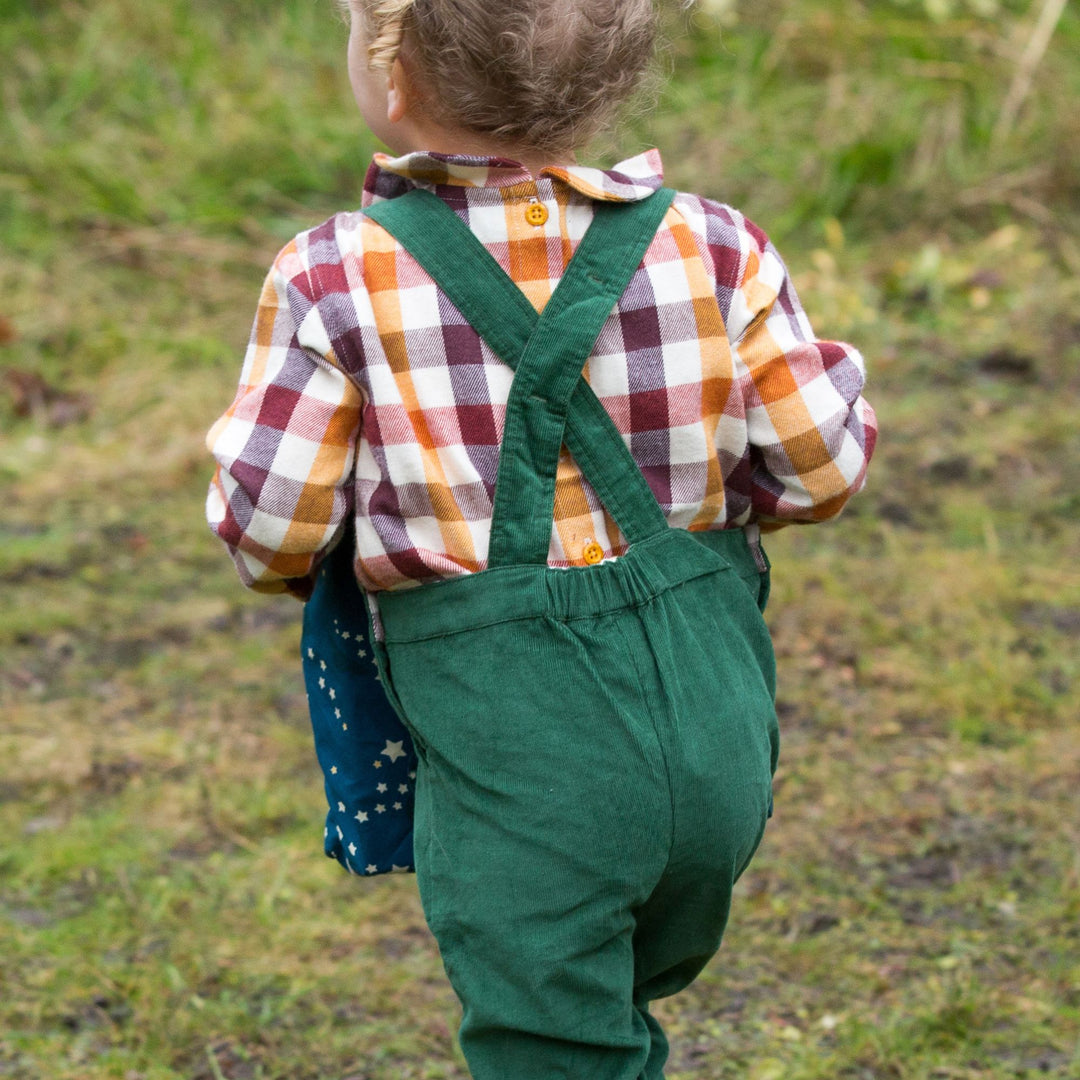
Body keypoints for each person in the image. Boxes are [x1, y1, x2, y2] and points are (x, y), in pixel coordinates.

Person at [206, 0, 877, 1076]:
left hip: (519, 760)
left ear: (391, 71)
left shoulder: (331, 276)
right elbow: (823, 469)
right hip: (719, 750)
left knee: (550, 1037)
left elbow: (269, 530)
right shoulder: (716, 244)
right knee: (617, 1003)